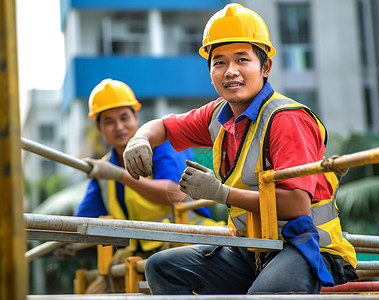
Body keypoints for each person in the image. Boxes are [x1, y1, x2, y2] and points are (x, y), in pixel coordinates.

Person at [123, 4, 358, 295]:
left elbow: (297, 205)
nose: (230, 71)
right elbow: (164, 127)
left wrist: (219, 193)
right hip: (254, 248)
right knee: (162, 267)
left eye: (242, 60)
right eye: (219, 62)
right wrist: (140, 138)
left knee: (263, 295)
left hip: (309, 247)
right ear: (210, 72)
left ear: (265, 66)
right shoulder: (218, 115)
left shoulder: (286, 119)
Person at [75, 79, 220, 260]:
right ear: (99, 127)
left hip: (197, 241)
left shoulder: (164, 144)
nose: (119, 127)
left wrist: (120, 175)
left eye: (124, 117)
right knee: (98, 286)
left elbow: (176, 194)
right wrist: (67, 242)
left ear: (136, 117)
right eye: (109, 121)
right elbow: (83, 221)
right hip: (146, 254)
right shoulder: (103, 171)